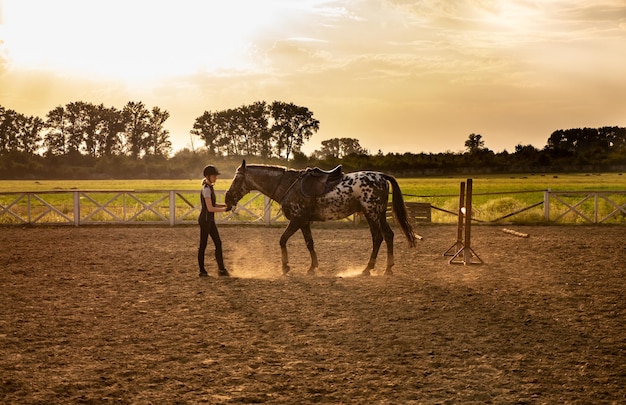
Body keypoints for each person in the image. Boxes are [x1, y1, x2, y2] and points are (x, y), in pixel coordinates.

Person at [198, 165, 231, 277]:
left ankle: (221, 270)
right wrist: (224, 210)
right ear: (208, 176)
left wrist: (226, 205)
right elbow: (210, 208)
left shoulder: (210, 188)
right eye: (214, 176)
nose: (216, 178)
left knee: (218, 243)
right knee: (203, 244)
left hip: (209, 220)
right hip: (205, 220)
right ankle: (202, 270)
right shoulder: (206, 190)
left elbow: (213, 205)